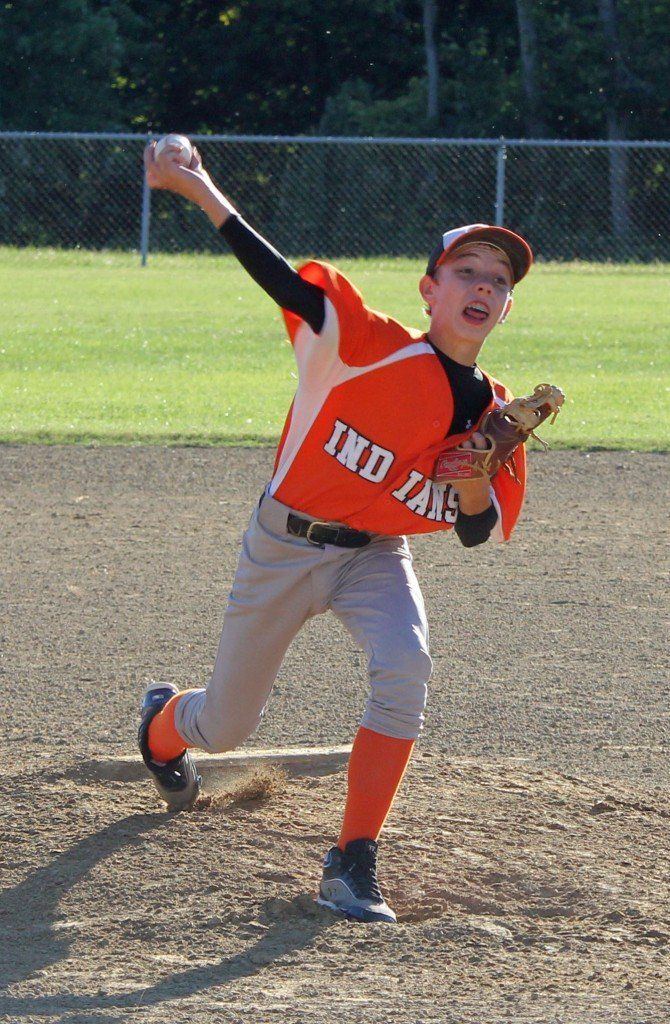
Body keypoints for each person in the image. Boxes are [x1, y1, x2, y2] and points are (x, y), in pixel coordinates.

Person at [137, 139, 533, 924]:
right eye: (467, 271)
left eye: (499, 279)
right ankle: (160, 722)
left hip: (376, 555)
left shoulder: (494, 413)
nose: (483, 285)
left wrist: (478, 478)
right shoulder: (360, 346)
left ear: (507, 306)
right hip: (284, 545)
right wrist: (199, 188)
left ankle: (352, 858)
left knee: (406, 667)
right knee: (224, 725)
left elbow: (475, 533)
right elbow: (282, 279)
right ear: (431, 290)